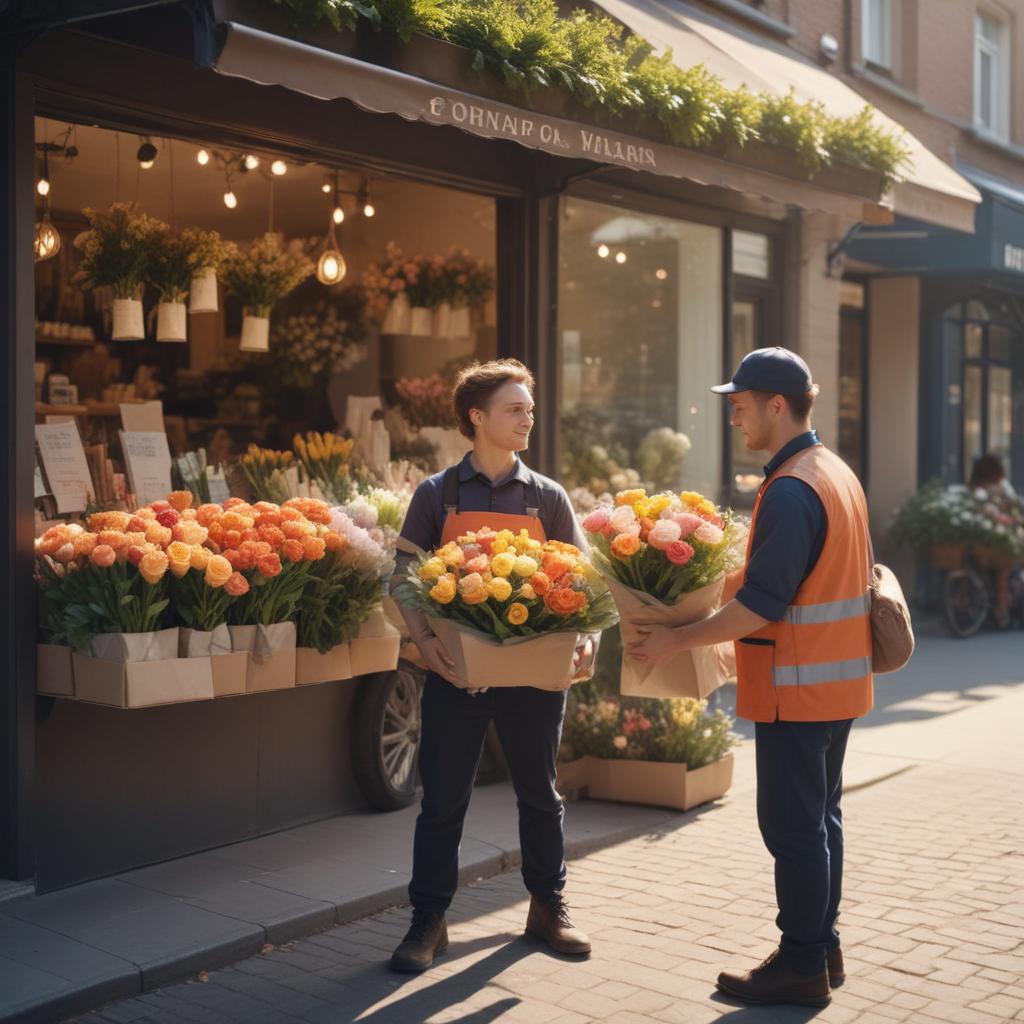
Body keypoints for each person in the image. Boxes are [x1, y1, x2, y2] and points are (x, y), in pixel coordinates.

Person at [628, 347, 873, 1008]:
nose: (734, 416)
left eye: (741, 405)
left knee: (793, 831)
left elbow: (765, 602)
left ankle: (799, 966)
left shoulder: (793, 488)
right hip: (835, 685)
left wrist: (676, 637)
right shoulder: (832, 473)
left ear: (777, 404)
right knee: (821, 822)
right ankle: (822, 948)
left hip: (799, 688)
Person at [389, 358, 592, 973]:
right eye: (515, 408)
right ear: (476, 418)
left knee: (539, 794)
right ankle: (429, 920)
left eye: (530, 408)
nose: (528, 417)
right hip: (455, 676)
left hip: (533, 677)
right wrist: (425, 646)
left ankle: (547, 905)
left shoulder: (547, 497)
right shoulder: (437, 494)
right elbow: (401, 577)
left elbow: (582, 581)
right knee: (443, 799)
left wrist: (585, 640)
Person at [969, 453, 1016, 628]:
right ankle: (1001, 610)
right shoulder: (999, 486)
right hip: (994, 536)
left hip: (977, 536)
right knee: (1003, 569)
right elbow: (1011, 502)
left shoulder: (974, 487)